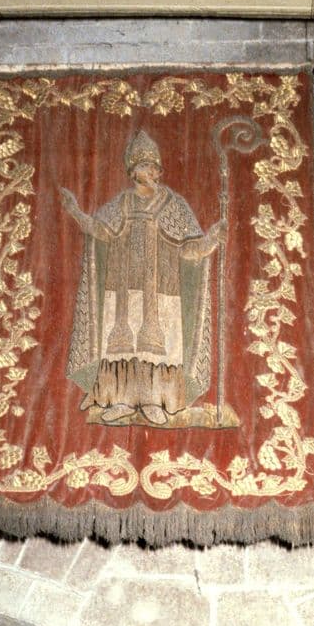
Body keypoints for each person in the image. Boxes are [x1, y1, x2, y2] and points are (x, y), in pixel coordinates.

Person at [61, 129, 224, 426]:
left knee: (160, 344)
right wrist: (75, 212)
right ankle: (122, 399)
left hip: (163, 289)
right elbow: (100, 231)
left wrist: (210, 241)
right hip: (123, 287)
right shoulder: (122, 203)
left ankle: (154, 400)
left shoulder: (173, 205)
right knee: (123, 343)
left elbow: (190, 248)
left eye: (156, 168)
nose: (154, 173)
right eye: (147, 166)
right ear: (133, 170)